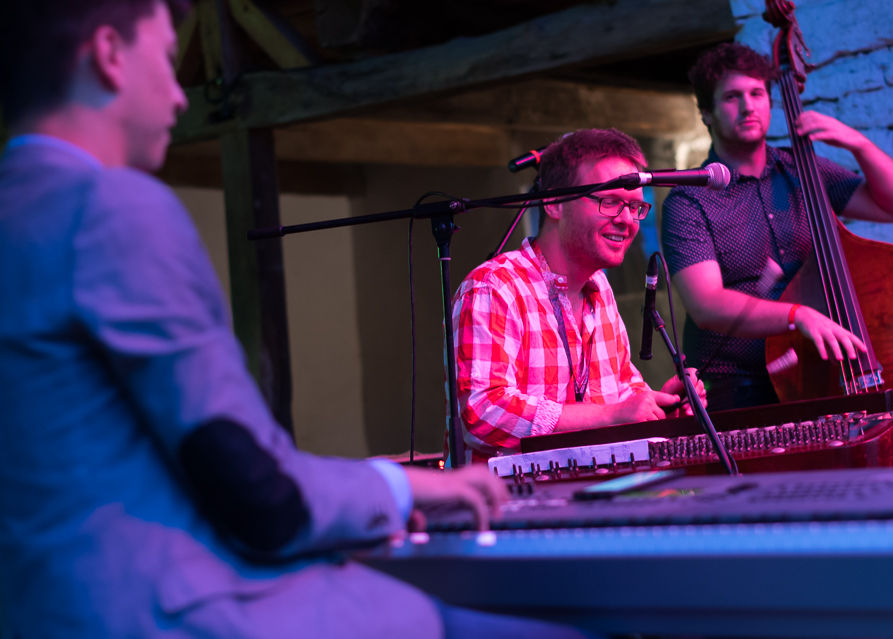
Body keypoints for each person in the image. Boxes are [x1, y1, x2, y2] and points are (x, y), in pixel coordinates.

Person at [0, 2, 598, 637]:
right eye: (166, 60)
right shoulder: (110, 208)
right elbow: (258, 492)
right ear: (109, 55)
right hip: (170, 611)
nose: (179, 96)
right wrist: (401, 489)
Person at [661, 43, 893, 411]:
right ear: (707, 113)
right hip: (738, 385)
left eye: (757, 94)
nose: (748, 106)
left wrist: (858, 143)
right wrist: (797, 316)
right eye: (732, 97)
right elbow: (706, 304)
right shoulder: (689, 200)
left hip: (815, 371)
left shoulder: (803, 170)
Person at [452, 129, 706, 463]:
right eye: (610, 202)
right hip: (513, 495)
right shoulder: (493, 287)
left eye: (635, 206)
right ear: (554, 203)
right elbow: (483, 412)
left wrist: (660, 406)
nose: (627, 220)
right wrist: (613, 415)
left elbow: (620, 394)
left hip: (592, 487)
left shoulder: (600, 288)